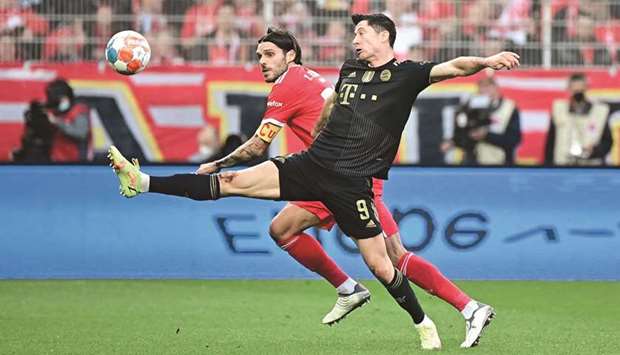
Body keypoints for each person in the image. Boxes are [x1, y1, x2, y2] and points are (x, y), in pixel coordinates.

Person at [110, 13, 519, 349]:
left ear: (384, 37)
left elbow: (454, 67)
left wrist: (486, 60)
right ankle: (144, 182)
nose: (354, 39)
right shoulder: (350, 69)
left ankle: (442, 316)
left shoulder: (406, 74)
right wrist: (318, 137)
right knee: (256, 205)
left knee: (387, 260)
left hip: (354, 181)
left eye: (362, 33)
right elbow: (331, 109)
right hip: (315, 166)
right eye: (354, 33)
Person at [198, 27, 495, 346]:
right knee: (284, 228)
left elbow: (259, 144)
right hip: (332, 173)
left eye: (268, 55)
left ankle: (466, 307)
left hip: (347, 175)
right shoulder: (313, 78)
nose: (261, 62)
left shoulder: (292, 83)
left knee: (390, 257)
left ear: (290, 56)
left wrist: (217, 164)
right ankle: (350, 289)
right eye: (259, 56)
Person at [442, 77, 521, 165]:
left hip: (501, 163)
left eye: (488, 87)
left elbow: (513, 139)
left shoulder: (509, 107)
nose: (485, 91)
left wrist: (486, 135)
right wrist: (454, 141)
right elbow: (461, 133)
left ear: (496, 88)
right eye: (482, 88)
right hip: (472, 162)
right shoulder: (470, 106)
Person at [545, 73, 612, 166]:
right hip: (562, 166)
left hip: (591, 167)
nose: (578, 93)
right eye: (574, 89)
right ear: (568, 89)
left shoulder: (599, 112)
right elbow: (551, 141)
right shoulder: (559, 110)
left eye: (581, 89)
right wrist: (548, 166)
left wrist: (594, 151)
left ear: (586, 88)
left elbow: (607, 142)